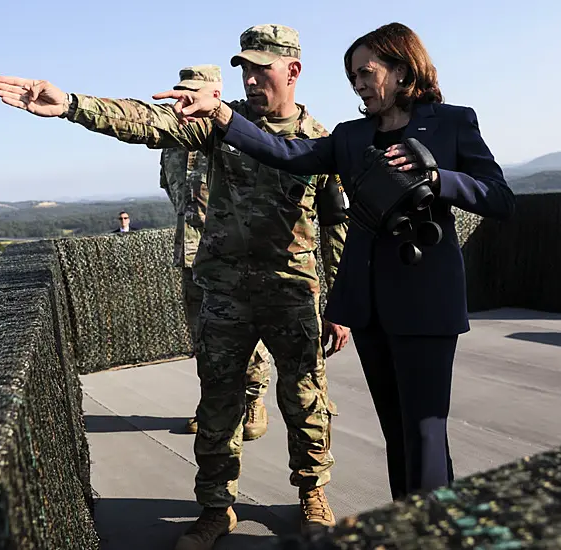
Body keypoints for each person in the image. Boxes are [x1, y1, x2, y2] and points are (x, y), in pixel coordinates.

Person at [0, 23, 350, 550]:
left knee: (304, 400)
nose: (250, 79)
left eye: (261, 68)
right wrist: (69, 103)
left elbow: (337, 227)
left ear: (292, 70)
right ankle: (215, 508)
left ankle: (312, 495)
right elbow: (148, 121)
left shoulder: (323, 141)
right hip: (225, 292)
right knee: (219, 402)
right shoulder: (220, 125)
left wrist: (341, 303)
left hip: (292, 293)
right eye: (244, 69)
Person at [157, 22, 516, 502]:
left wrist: (439, 176)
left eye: (366, 72)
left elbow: (499, 197)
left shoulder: (452, 122)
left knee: (426, 430)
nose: (359, 84)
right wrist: (222, 115)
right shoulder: (351, 136)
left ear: (403, 68)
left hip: (426, 301)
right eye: (352, 77)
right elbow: (284, 151)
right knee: (396, 430)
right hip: (368, 307)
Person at [159, 64, 273, 440]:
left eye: (195, 92)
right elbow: (172, 190)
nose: (186, 100)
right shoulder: (172, 143)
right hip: (191, 255)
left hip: (233, 257)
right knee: (203, 339)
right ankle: (215, 403)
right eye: (182, 92)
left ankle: (253, 399)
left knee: (247, 338)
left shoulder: (233, 132)